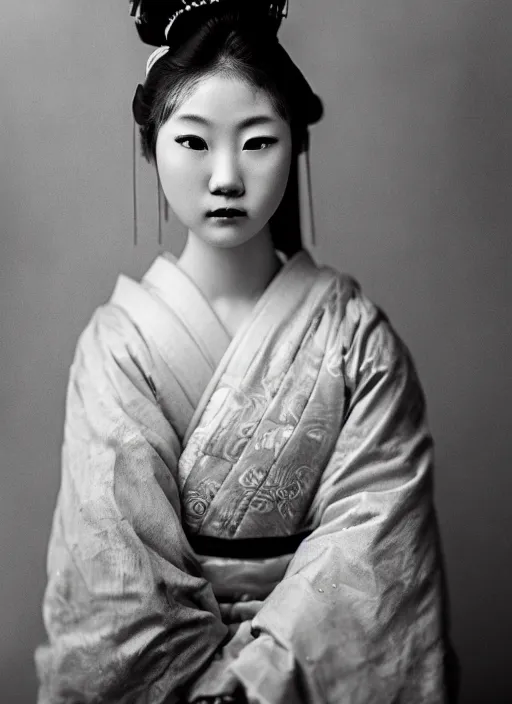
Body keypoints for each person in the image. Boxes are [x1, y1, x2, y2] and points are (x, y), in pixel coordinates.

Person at [35, 1, 458, 702]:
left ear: (295, 142)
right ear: (152, 147)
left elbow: (375, 548)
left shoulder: (356, 340)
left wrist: (249, 684)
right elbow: (111, 580)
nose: (226, 176)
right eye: (195, 142)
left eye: (257, 141)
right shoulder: (121, 347)